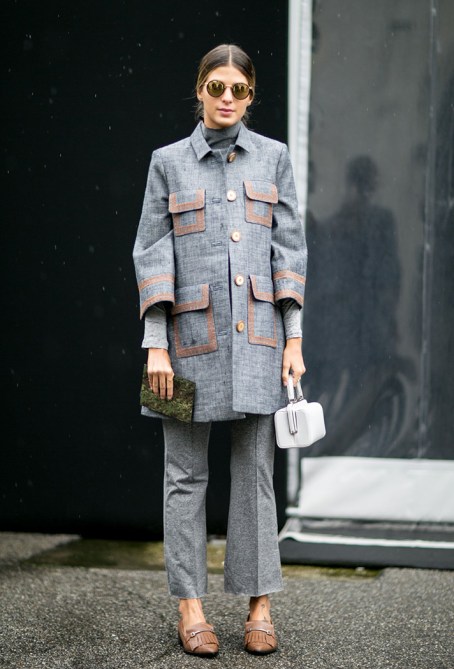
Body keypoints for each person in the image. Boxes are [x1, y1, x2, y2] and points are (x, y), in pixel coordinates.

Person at [133, 44, 307, 657]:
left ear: (251, 95)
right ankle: (190, 606)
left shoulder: (274, 158)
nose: (227, 98)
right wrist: (155, 345)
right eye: (216, 86)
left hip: (260, 341)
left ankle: (260, 605)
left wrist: (294, 337)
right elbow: (151, 254)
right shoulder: (167, 163)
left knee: (256, 476)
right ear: (200, 90)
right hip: (182, 348)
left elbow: (289, 250)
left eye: (238, 88)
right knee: (183, 477)